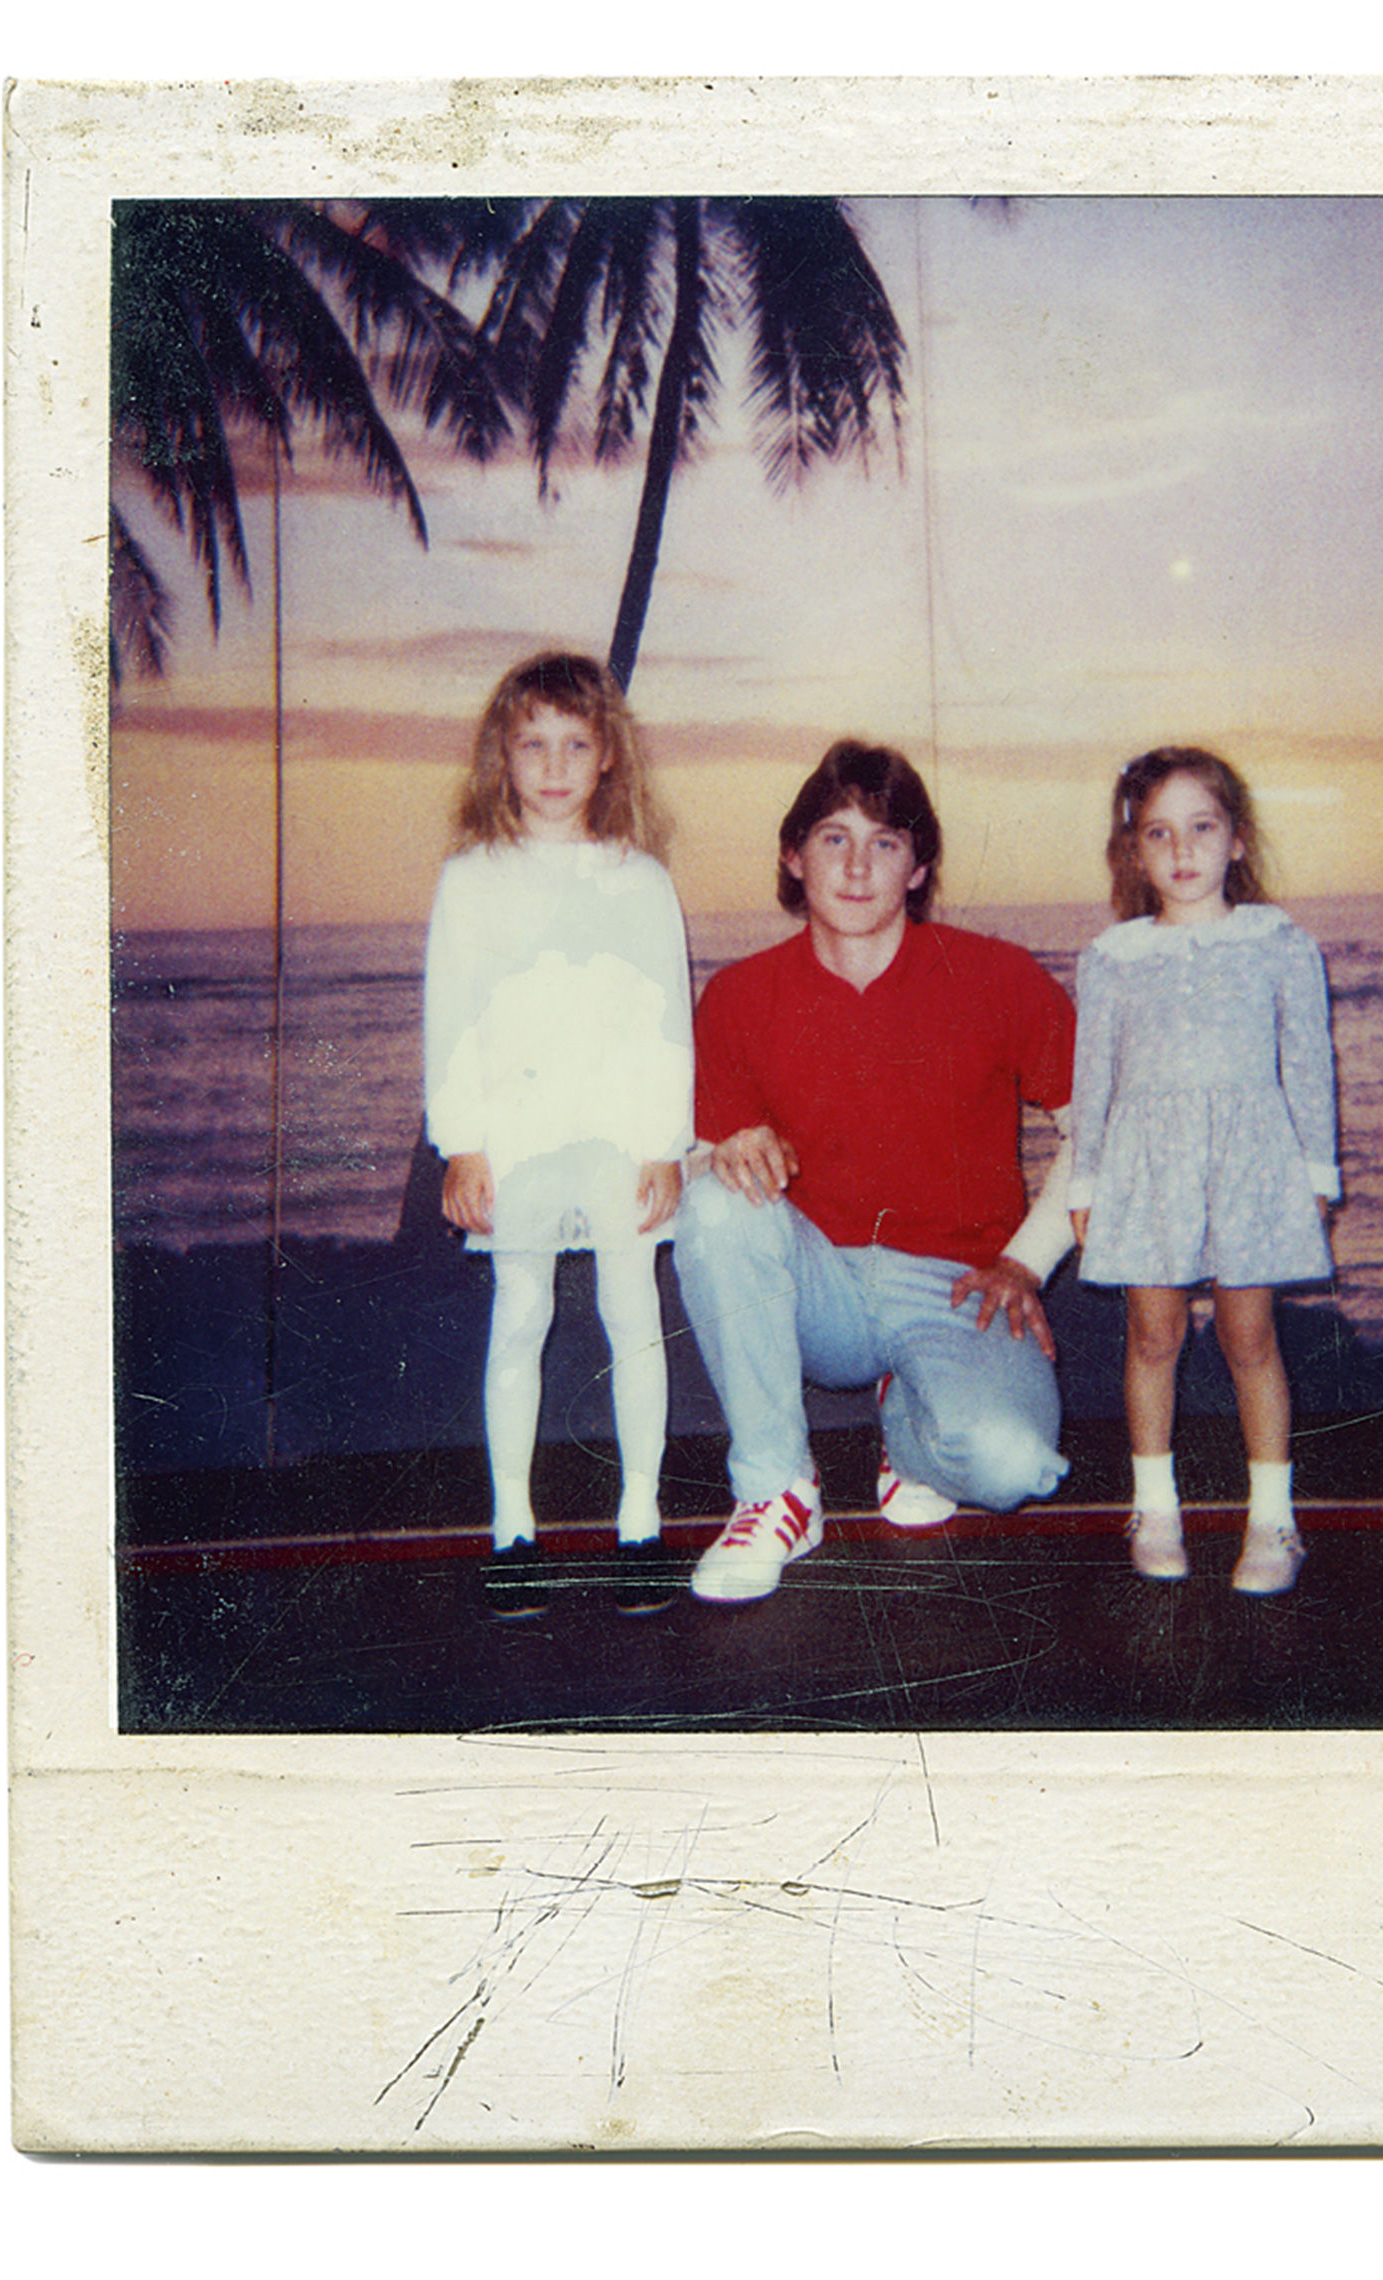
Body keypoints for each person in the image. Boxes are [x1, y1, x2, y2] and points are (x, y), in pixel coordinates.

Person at [674, 740, 1077, 1604]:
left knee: (1011, 1466)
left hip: (957, 1286)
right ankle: (778, 1490)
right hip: (819, 1280)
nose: (857, 867)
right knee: (712, 1203)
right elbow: (705, 1160)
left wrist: (1029, 1259)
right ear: (793, 855)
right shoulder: (739, 997)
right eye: (832, 838)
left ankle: (913, 1415)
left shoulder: (997, 977)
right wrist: (722, 1151)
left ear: (918, 864)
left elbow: (1101, 1134)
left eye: (885, 842)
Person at [423, 651, 691, 1619]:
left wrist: (664, 1142)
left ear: (608, 758)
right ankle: (512, 1530)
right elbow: (452, 1016)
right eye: (532, 743)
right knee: (521, 1314)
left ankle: (640, 1524)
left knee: (632, 1316)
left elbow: (668, 1021)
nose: (552, 765)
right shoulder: (472, 880)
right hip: (521, 1135)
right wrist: (461, 1140)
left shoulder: (639, 880)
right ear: (503, 754)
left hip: (619, 1132)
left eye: (575, 744)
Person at [1069, 747, 1340, 1595]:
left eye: (1202, 827)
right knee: (1154, 1336)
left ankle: (1273, 1520)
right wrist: (1084, 1181)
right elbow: (1093, 1080)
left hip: (1252, 1163)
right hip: (1148, 1167)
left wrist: (1317, 1174)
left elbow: (1307, 1064)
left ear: (1236, 840)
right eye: (1159, 832)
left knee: (1248, 1338)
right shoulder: (1113, 958)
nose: (1182, 850)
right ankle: (1156, 1508)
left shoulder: (1280, 945)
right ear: (1134, 851)